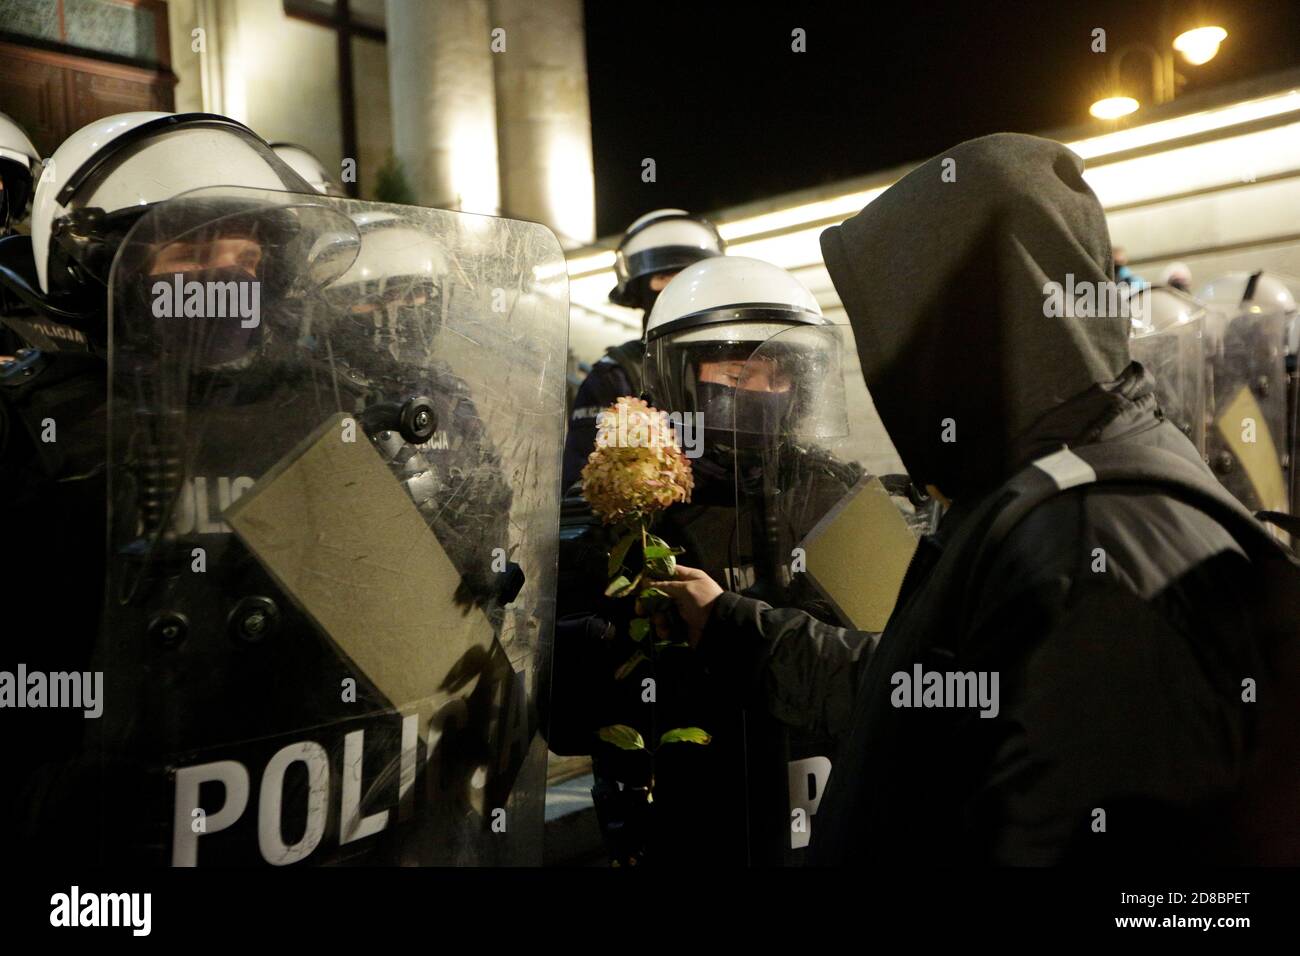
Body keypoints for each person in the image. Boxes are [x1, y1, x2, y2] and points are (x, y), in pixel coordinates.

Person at [655, 133, 1294, 864]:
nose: (888, 369)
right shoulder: (1052, 489)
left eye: (899, 330)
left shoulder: (1083, 531)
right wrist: (737, 632)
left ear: (971, 330)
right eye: (729, 374)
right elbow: (922, 689)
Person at [545, 256, 873, 866]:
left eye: (776, 376)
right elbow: (563, 715)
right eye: (736, 372)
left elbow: (886, 666)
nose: (759, 392)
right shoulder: (630, 509)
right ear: (682, 379)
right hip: (682, 823)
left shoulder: (839, 493)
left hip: (818, 813)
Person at [561, 209, 724, 488]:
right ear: (639, 290)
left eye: (688, 274)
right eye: (664, 276)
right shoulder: (616, 374)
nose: (677, 286)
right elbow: (583, 486)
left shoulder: (740, 361)